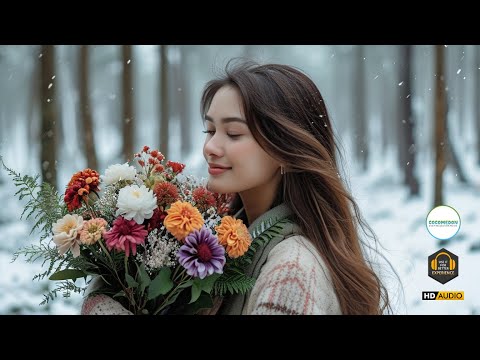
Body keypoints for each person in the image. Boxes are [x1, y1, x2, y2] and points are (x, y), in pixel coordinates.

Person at [82, 59, 400, 315]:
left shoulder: (291, 272)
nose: (211, 147)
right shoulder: (229, 242)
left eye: (233, 134)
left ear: (287, 153)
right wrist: (118, 266)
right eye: (209, 130)